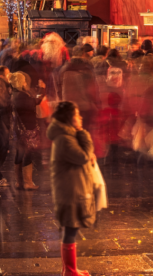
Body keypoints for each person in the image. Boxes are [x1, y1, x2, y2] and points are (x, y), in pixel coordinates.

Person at [47, 101, 96, 276]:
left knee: (71, 229)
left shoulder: (67, 136)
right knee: (70, 229)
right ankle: (69, 270)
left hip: (72, 190)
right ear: (69, 117)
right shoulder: (65, 139)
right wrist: (84, 134)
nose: (80, 117)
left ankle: (71, 269)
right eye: (77, 114)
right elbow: (82, 156)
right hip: (70, 193)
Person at [59, 45, 99, 128]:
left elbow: (58, 89)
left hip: (68, 107)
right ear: (83, 54)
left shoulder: (63, 69)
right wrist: (96, 103)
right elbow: (92, 90)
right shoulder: (87, 68)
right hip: (85, 107)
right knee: (84, 130)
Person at [11, 71, 39, 190]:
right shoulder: (22, 95)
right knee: (28, 153)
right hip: (27, 128)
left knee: (20, 152)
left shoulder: (14, 94)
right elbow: (33, 104)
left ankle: (19, 182)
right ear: (21, 82)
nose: (26, 82)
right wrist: (41, 92)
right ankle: (28, 183)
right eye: (24, 80)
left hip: (19, 128)